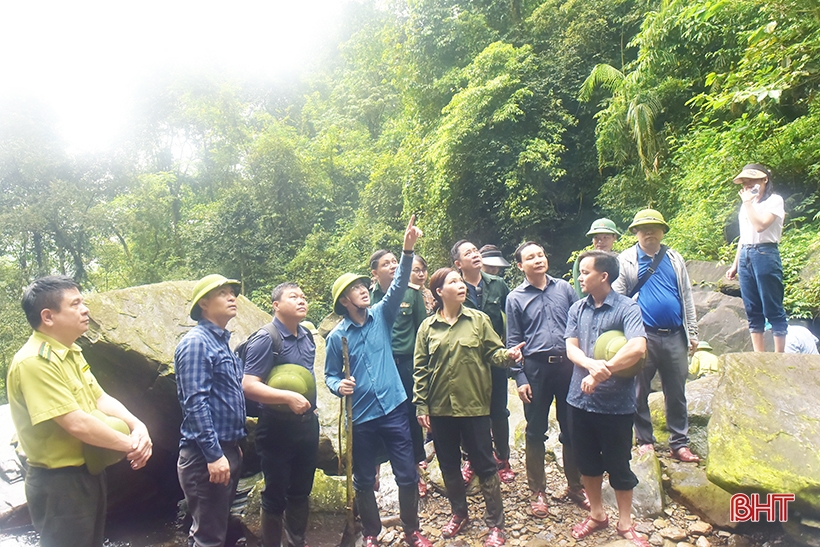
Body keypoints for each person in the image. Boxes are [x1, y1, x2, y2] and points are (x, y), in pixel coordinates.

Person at [7, 275, 153, 547]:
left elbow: (100, 398)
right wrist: (131, 445)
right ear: (48, 317)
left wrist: (138, 426)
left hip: (87, 473)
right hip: (59, 484)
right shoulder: (34, 362)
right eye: (75, 304)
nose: (85, 309)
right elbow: (76, 424)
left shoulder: (70, 351)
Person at [324, 215, 431, 547]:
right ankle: (372, 533)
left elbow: (398, 283)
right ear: (345, 301)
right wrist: (337, 386)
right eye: (355, 290)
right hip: (362, 418)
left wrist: (407, 249)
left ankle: (412, 530)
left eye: (362, 286)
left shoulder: (382, 315)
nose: (363, 291)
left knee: (406, 473)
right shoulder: (337, 337)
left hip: (395, 409)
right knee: (364, 478)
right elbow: (329, 374)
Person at [414, 268, 525, 547]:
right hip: (440, 408)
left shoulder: (479, 320)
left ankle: (495, 524)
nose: (460, 285)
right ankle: (459, 513)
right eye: (453, 282)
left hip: (474, 405)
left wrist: (509, 356)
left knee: (485, 465)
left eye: (460, 281)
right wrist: (421, 406)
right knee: (449, 464)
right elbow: (420, 370)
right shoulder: (428, 327)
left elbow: (493, 353)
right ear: (439, 292)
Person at [565, 251, 649, 547]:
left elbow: (638, 347)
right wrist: (590, 365)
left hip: (616, 405)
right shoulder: (577, 308)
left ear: (603, 276)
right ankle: (598, 514)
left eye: (585, 272)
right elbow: (571, 348)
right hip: (579, 399)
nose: (580, 277)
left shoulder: (627, 308)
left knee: (619, 463)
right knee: (586, 462)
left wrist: (605, 370)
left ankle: (625, 523)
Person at [506, 241, 588, 518]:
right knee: (535, 430)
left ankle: (575, 486)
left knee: (572, 427)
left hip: (567, 367)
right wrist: (519, 377)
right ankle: (537, 492)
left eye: (541, 254)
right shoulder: (515, 297)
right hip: (536, 368)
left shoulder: (565, 288)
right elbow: (514, 342)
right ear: (520, 266)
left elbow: (580, 323)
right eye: (531, 257)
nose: (539, 260)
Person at [612, 209, 700, 463]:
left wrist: (692, 332)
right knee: (639, 389)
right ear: (636, 232)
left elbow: (686, 296)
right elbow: (618, 299)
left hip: (675, 334)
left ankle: (679, 443)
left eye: (654, 227)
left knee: (676, 390)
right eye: (643, 228)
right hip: (642, 335)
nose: (649, 232)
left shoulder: (674, 258)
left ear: (663, 231)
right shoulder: (626, 259)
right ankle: (645, 440)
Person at [242, 283, 317, 547]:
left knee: (301, 491)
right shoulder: (266, 337)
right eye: (294, 297)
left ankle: (297, 542)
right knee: (275, 493)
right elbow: (249, 384)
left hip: (307, 425)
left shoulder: (307, 336)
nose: (301, 301)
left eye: (303, 297)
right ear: (276, 305)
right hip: (275, 428)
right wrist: (287, 397)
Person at [176, 274, 247, 547]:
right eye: (223, 293)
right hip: (205, 455)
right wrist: (215, 453)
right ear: (203, 303)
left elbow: (228, 398)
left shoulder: (221, 343)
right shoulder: (197, 342)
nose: (232, 297)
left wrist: (233, 446)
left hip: (225, 449)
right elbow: (194, 403)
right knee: (208, 538)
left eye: (233, 292)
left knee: (217, 530)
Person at [451, 239, 514, 483]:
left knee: (499, 410)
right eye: (468, 253)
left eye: (476, 251)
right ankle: (471, 459)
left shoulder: (498, 285)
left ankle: (503, 458)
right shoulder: (453, 288)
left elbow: (511, 319)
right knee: (469, 411)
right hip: (466, 362)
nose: (475, 255)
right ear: (458, 263)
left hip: (495, 357)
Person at [369, 248, 429, 496]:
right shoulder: (366, 297)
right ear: (374, 272)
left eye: (395, 261)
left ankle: (415, 470)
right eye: (387, 263)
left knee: (412, 415)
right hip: (380, 366)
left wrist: (423, 367)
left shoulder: (412, 294)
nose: (393, 265)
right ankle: (373, 472)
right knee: (377, 417)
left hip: (407, 363)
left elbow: (422, 331)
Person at [725, 164, 787, 353]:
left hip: (765, 253)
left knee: (772, 306)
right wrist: (735, 264)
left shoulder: (774, 201)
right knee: (752, 308)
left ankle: (779, 355)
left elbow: (760, 226)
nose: (748, 184)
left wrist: (748, 203)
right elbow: (744, 237)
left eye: (752, 180)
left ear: (764, 180)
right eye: (745, 181)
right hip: (746, 255)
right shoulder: (747, 206)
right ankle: (758, 356)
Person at [573, 218, 621, 298]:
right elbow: (580, 292)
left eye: (605, 237)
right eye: (596, 238)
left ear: (614, 237)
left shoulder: (621, 259)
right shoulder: (584, 260)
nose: (600, 241)